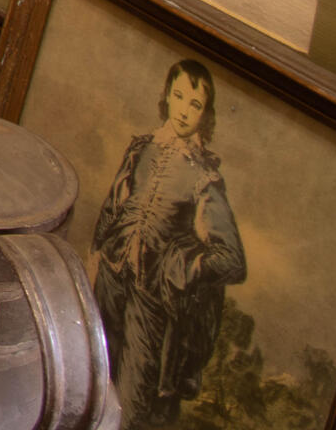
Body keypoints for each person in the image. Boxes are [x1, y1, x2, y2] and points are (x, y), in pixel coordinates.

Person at [91, 57, 248, 426]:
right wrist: (97, 255)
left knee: (129, 406)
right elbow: (112, 209)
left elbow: (232, 260)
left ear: (205, 114)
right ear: (166, 97)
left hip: (152, 302)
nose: (184, 110)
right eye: (178, 97)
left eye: (195, 104)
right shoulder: (141, 149)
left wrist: (181, 265)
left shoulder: (204, 177)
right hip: (110, 283)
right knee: (90, 379)